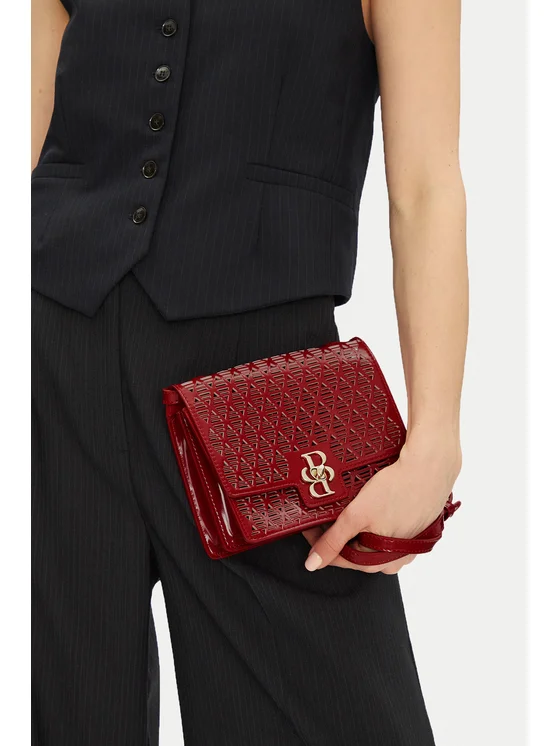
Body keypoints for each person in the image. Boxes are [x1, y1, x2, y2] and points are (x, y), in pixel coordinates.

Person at [31, 0, 467, 744]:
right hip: (55, 361)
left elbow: (425, 186)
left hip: (269, 396)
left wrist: (436, 439)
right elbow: (36, 149)